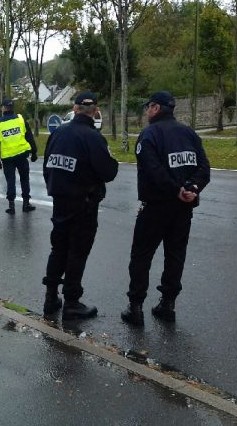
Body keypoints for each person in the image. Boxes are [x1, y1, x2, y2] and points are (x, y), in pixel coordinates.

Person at [120, 91, 211, 326]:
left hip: (156, 207)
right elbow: (204, 168)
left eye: (148, 107)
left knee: (141, 256)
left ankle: (135, 307)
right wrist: (192, 187)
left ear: (156, 108)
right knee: (175, 256)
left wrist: (177, 190)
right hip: (183, 208)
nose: (147, 111)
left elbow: (153, 170)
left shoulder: (149, 134)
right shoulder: (189, 133)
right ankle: (168, 304)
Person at [42, 91, 119, 319]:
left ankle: (50, 297)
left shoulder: (57, 134)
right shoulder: (93, 137)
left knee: (58, 249)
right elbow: (108, 171)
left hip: (60, 202)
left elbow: (48, 167)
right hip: (83, 205)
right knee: (77, 252)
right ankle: (72, 301)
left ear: (74, 109)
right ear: (95, 111)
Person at [0, 99, 38, 214]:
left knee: (10, 181)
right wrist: (34, 152)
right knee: (25, 179)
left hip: (7, 158)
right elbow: (29, 137)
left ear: (3, 108)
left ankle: (11, 206)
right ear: (12, 108)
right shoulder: (20, 119)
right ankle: (26, 203)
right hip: (22, 155)